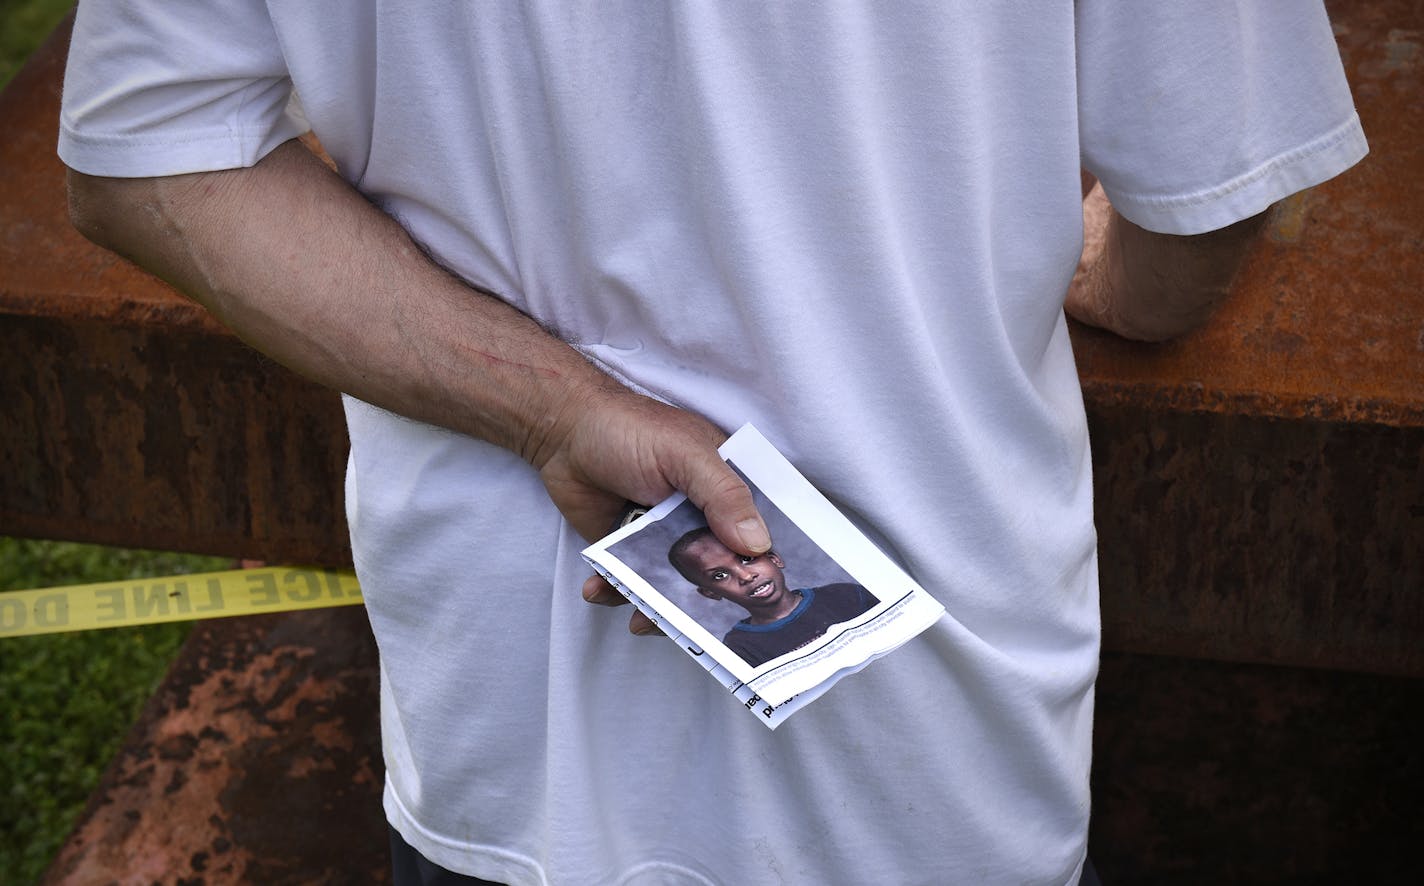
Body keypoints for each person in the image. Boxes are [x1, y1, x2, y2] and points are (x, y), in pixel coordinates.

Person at [57, 2, 1366, 883]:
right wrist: (1124, 287)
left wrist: (556, 409)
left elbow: (154, 162)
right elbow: (1211, 185)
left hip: (512, 744)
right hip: (930, 761)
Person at [668, 526, 878, 667]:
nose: (746, 576)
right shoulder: (741, 648)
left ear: (774, 558)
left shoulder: (845, 596)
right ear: (711, 593)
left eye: (746, 558)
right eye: (720, 575)